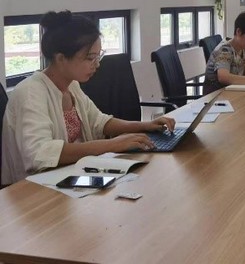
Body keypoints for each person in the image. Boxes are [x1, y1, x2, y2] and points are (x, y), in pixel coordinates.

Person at [1, 11, 175, 185]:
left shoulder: (72, 86)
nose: (97, 64)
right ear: (61, 58)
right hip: (32, 190)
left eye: (98, 56)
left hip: (69, 177)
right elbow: (41, 153)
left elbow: (99, 122)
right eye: (90, 58)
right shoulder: (30, 93)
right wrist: (113, 144)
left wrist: (145, 126)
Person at [204, 12, 245, 92]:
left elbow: (236, 71)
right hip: (215, 95)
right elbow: (223, 77)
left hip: (231, 92)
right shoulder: (225, 50)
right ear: (238, 32)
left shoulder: (241, 49)